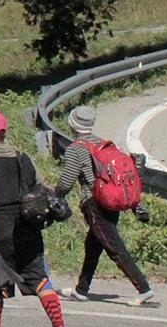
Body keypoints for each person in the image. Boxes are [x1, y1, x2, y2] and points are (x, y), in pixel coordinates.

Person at [0, 108, 73, 327]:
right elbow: (38, 189)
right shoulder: (23, 157)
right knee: (40, 279)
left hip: (1, 230)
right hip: (29, 228)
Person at [56, 105, 154, 306]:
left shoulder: (76, 149)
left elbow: (66, 182)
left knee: (113, 247)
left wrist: (56, 197)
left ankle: (143, 289)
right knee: (93, 245)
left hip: (94, 203)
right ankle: (81, 290)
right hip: (111, 201)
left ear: (72, 124)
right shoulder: (105, 145)